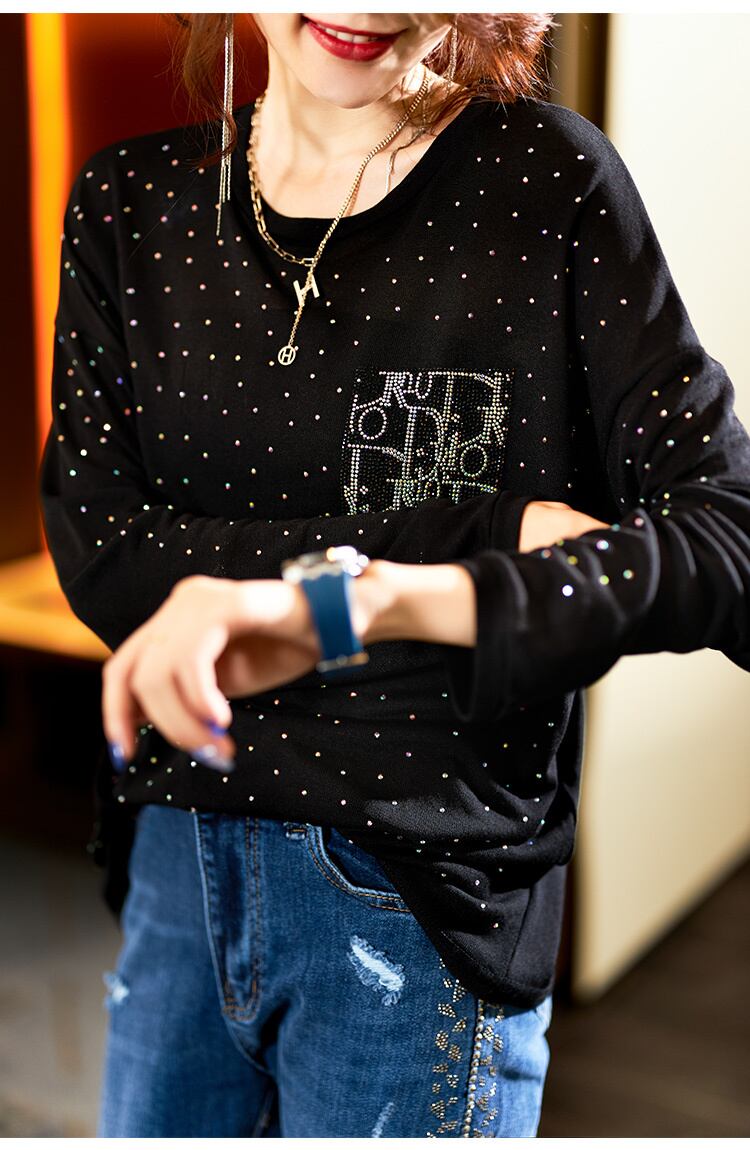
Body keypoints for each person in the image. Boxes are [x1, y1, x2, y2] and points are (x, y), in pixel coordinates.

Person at [39, 11, 750, 1139]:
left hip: (419, 904)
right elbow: (108, 554)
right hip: (179, 863)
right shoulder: (131, 201)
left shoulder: (548, 181)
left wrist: (352, 602)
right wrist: (495, 533)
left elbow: (729, 544)